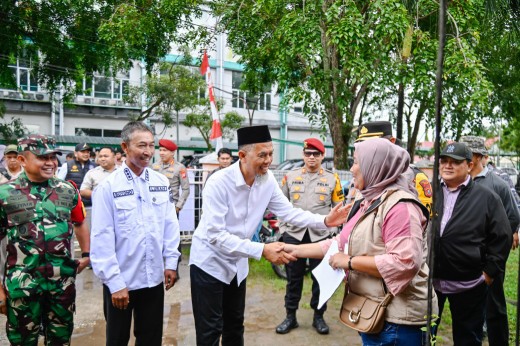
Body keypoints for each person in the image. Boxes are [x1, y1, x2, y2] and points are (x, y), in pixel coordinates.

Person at [189, 125, 349, 346]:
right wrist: (262, 250)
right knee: (210, 331)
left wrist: (324, 221)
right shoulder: (219, 183)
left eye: (271, 154)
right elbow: (216, 236)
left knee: (235, 326)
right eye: (262, 155)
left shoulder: (267, 179)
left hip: (237, 266)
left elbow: (288, 212)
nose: (268, 160)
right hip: (210, 264)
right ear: (243, 156)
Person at [284, 138, 433, 344]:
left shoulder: (400, 206)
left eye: (356, 162)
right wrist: (292, 250)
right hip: (375, 310)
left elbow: (405, 262)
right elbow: (341, 242)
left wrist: (350, 262)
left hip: (399, 321)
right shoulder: (370, 200)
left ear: (375, 166)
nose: (352, 169)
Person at [90, 121, 180, 346]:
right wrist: (114, 282)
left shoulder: (160, 182)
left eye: (151, 145)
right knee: (117, 339)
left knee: (151, 339)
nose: (148, 151)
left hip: (153, 279)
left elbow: (169, 225)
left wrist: (171, 262)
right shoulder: (108, 187)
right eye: (141, 145)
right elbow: (101, 237)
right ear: (125, 147)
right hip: (122, 282)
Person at [0, 135, 91, 345]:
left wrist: (86, 255)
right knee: (23, 341)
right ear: (23, 160)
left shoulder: (67, 190)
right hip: (22, 286)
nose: (50, 162)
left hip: (61, 286)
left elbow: (80, 221)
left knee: (60, 340)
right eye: (43, 157)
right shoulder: (5, 194)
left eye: (53, 156)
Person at [433, 142, 511, 345]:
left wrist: (488, 273)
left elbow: (502, 236)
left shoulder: (487, 197)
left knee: (468, 339)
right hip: (431, 284)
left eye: (455, 162)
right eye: (444, 161)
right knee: (425, 335)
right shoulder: (429, 193)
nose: (448, 166)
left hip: (469, 285)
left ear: (469, 165)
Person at [275, 138, 344, 335]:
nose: (311, 157)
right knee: (293, 278)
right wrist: (283, 230)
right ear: (303, 155)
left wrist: (334, 233)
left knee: (320, 277)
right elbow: (281, 205)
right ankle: (290, 316)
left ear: (322, 156)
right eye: (308, 153)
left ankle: (319, 316)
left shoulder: (332, 179)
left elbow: (338, 208)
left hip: (320, 236)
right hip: (293, 234)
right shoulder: (290, 176)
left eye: (315, 154)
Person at [460, 136, 520, 346]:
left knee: (494, 306)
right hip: (465, 257)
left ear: (477, 157)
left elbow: (512, 217)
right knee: (468, 307)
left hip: (490, 257)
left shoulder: (497, 184)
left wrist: (496, 253)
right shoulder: (459, 182)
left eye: (466, 154)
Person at [354, 121, 433, 214]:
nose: (364, 149)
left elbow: (424, 223)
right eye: (362, 144)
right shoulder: (359, 176)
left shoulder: (415, 177)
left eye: (372, 144)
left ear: (392, 142)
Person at [151, 139, 190, 215]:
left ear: (172, 153)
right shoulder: (154, 166)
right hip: (155, 207)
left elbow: (186, 189)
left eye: (164, 150)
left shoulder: (180, 168)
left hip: (171, 208)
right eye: (160, 150)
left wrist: (178, 207)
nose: (161, 153)